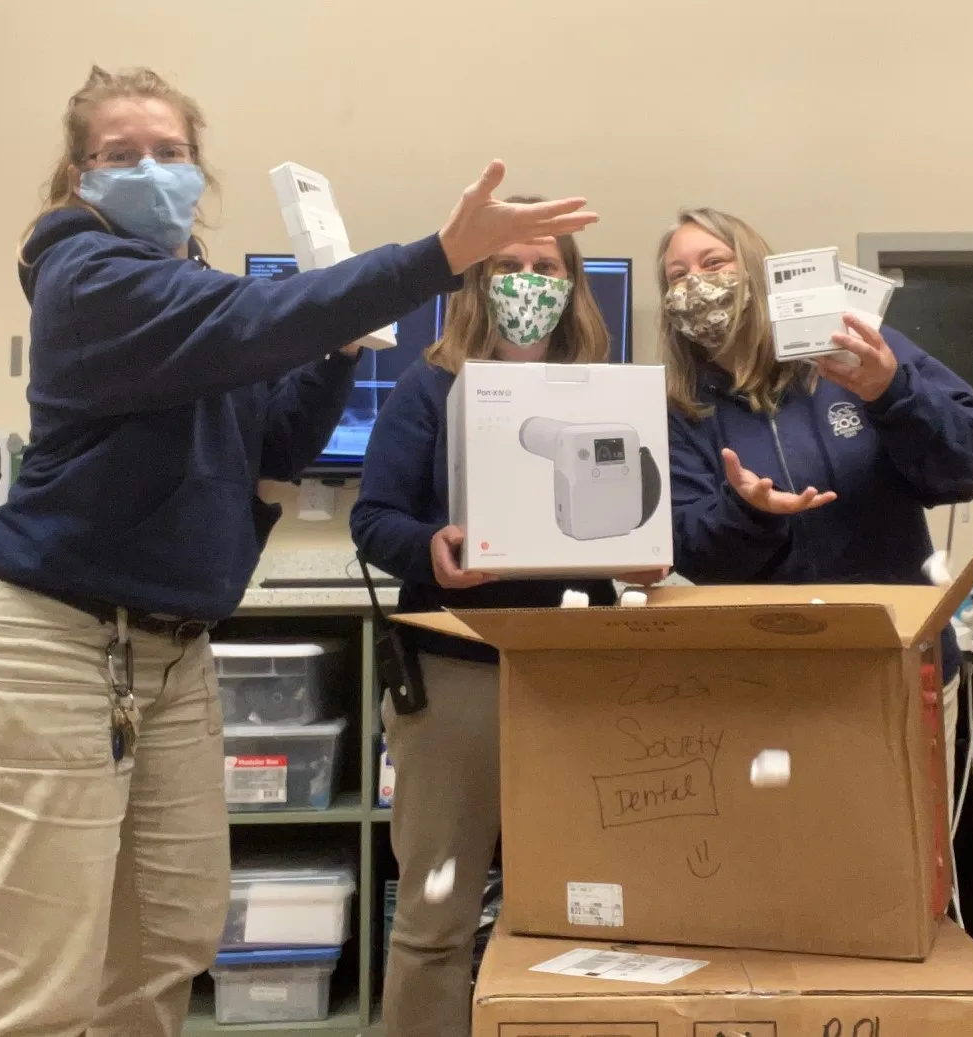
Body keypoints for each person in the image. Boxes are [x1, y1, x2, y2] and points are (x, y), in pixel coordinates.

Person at [0, 66, 596, 1037]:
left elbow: (276, 442)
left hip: (172, 653)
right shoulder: (85, 279)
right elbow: (257, 326)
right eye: (121, 155)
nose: (152, 170)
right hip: (57, 643)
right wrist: (436, 256)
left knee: (169, 940)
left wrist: (341, 350)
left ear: (199, 167)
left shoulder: (197, 295)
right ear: (77, 176)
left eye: (171, 152)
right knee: (41, 978)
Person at [350, 206, 660, 1037]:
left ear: (573, 284)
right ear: (478, 280)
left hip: (577, 672)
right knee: (435, 914)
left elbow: (631, 517)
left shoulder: (608, 393)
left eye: (547, 267)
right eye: (508, 265)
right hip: (457, 673)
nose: (529, 281)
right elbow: (373, 520)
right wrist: (430, 549)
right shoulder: (430, 386)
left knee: (586, 904)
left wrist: (643, 553)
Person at [659, 207, 973, 803]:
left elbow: (968, 464)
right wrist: (749, 511)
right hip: (763, 685)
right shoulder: (681, 410)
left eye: (714, 263)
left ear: (757, 270)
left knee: (906, 854)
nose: (696, 284)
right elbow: (692, 550)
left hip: (899, 665)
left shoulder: (854, 349)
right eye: (677, 276)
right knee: (783, 853)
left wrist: (892, 393)